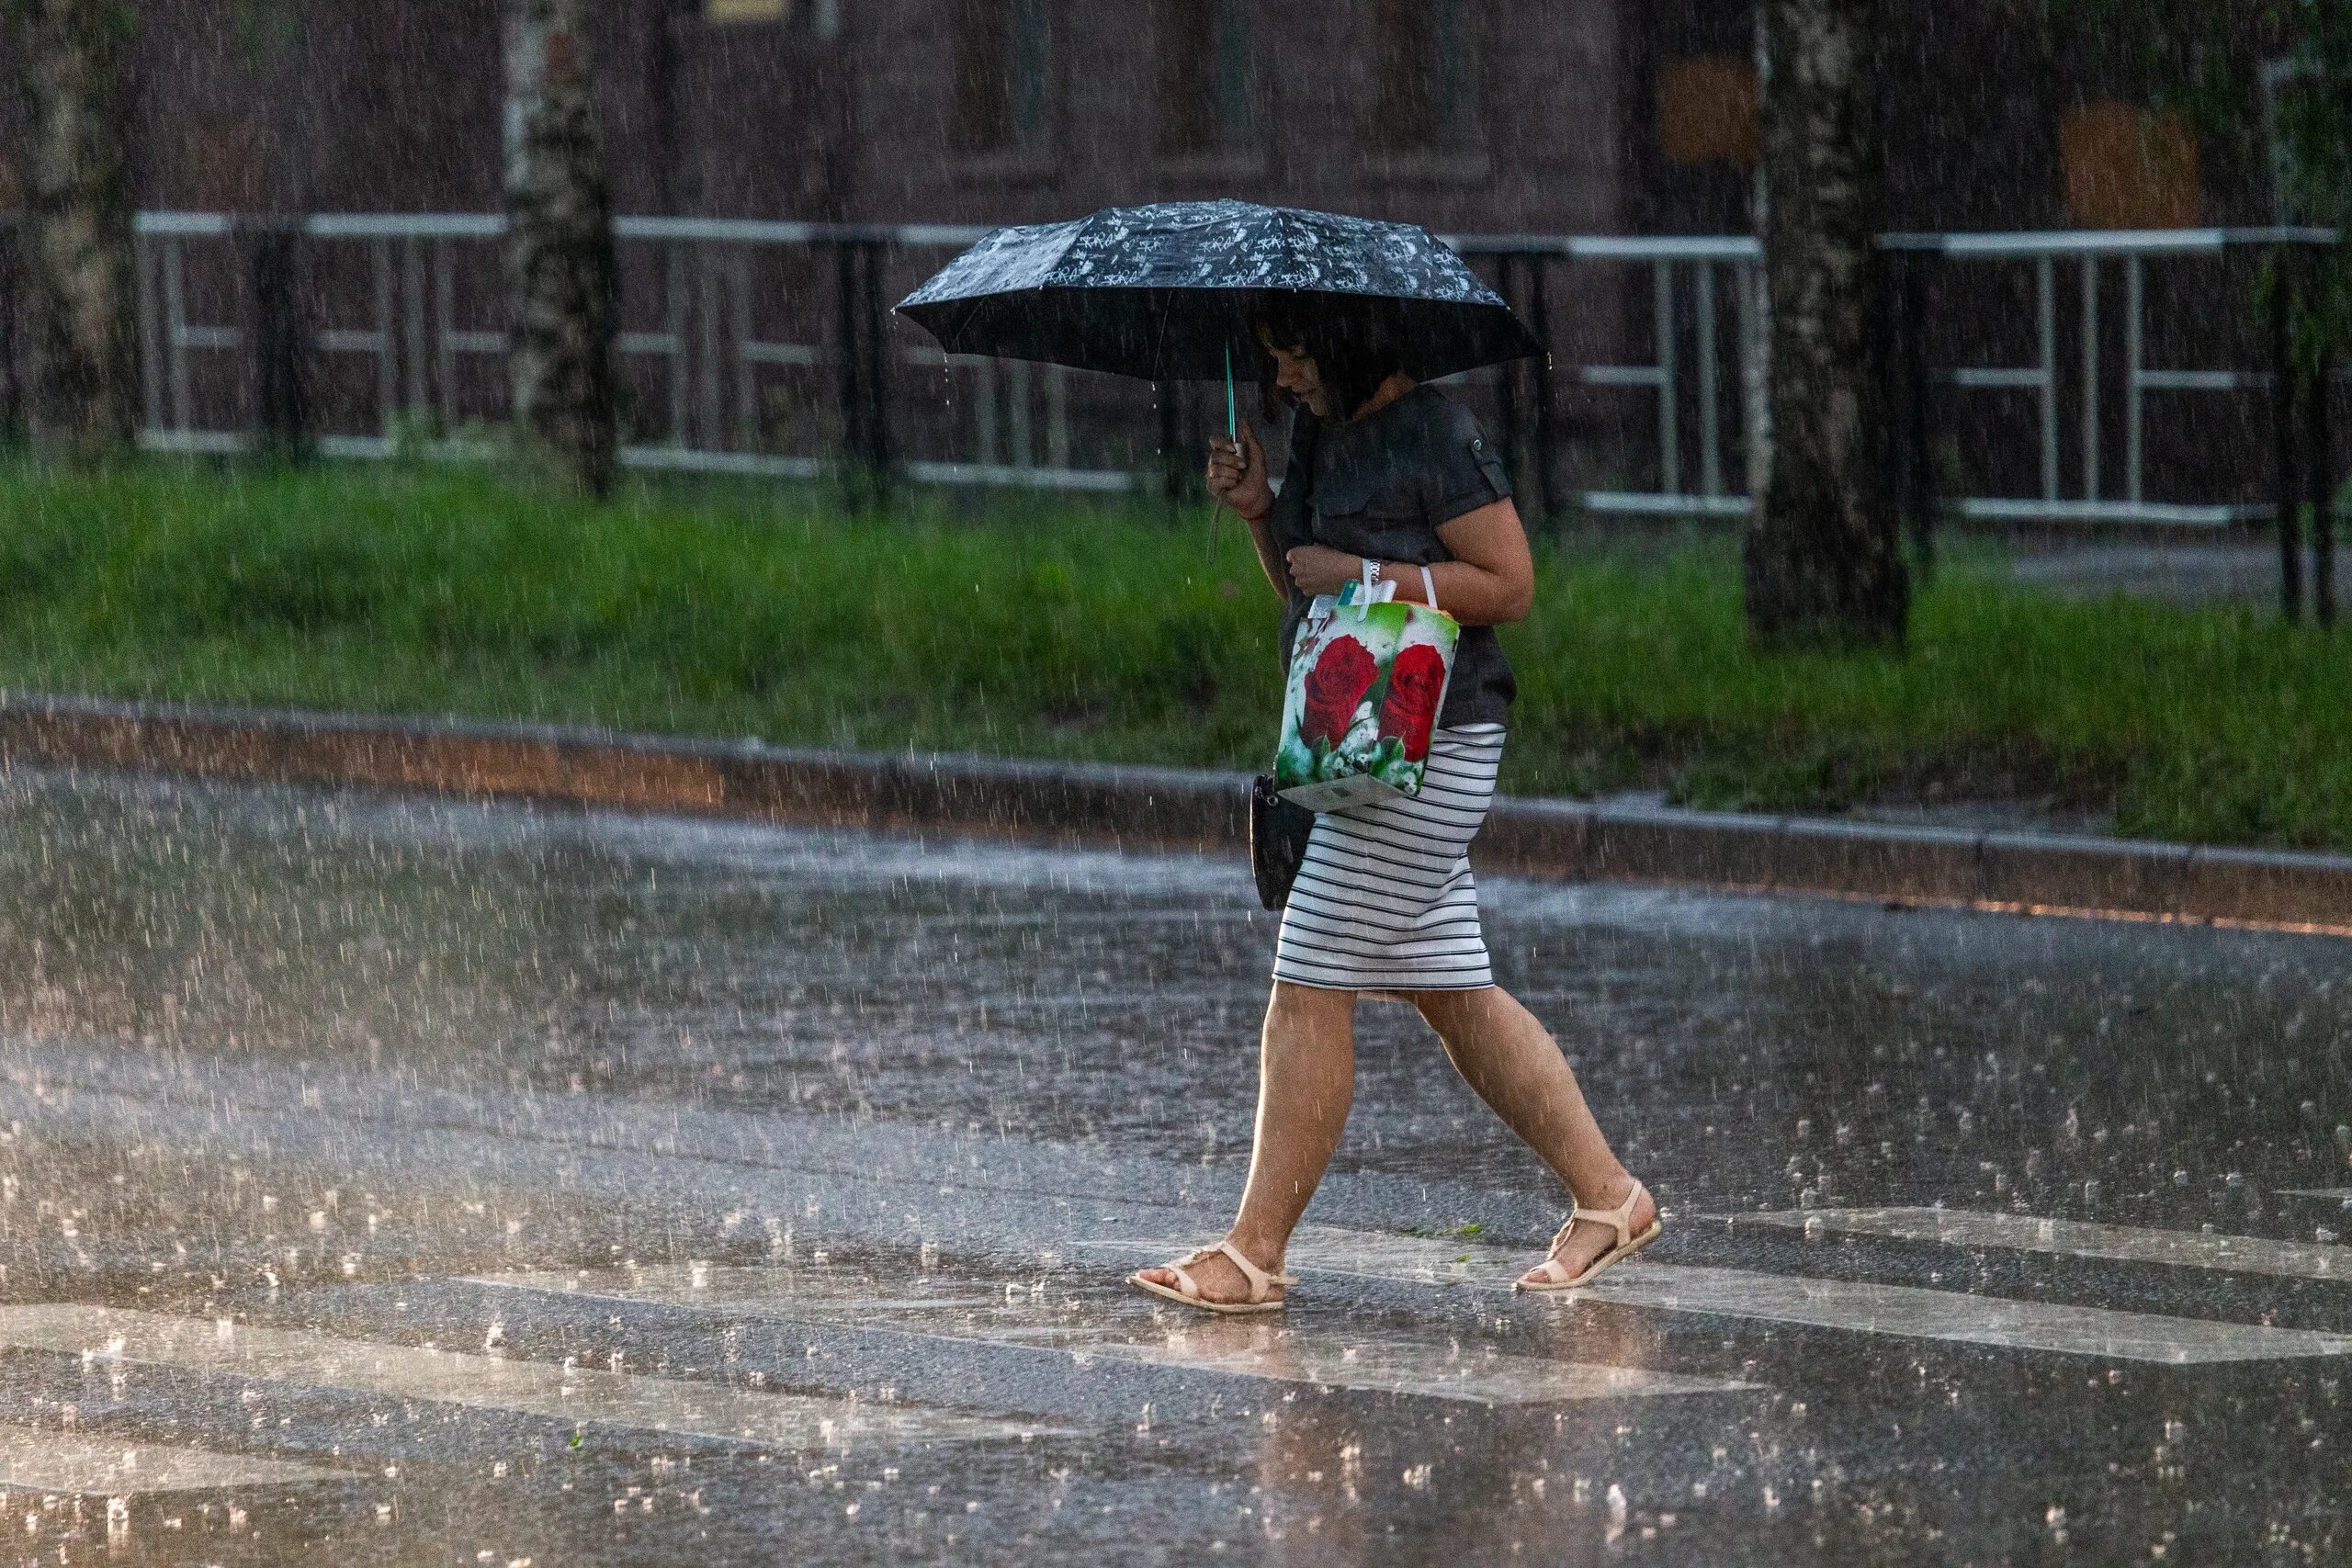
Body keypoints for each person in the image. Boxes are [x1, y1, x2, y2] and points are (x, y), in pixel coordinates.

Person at [1128, 305, 1658, 1313]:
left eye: (1294, 358)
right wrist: (1260, 511)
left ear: (1345, 344)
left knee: (1310, 969)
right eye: (1275, 362)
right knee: (1453, 992)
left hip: (1438, 738)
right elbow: (1306, 590)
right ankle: (1608, 1197)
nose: (1283, 380)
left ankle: (1254, 1255)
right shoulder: (1317, 434)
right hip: (1355, 737)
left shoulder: (1437, 434)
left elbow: (1508, 583)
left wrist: (1369, 572)